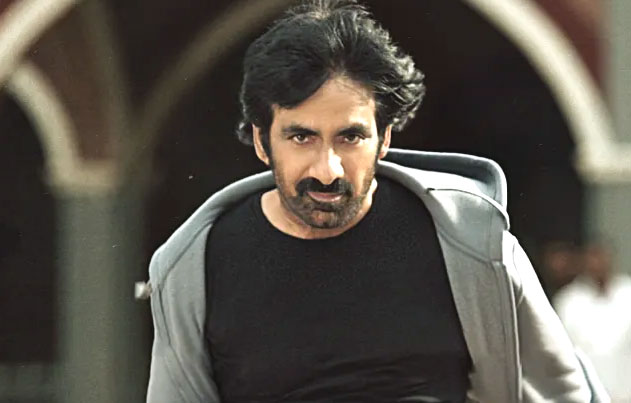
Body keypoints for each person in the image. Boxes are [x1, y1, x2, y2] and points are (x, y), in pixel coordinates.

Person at [142, 1, 608, 401]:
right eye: (302, 137)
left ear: (384, 138)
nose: (328, 170)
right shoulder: (195, 267)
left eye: (350, 137)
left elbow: (562, 392)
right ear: (262, 142)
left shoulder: (469, 242)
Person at [555, 241, 631, 402]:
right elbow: (564, 352)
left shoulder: (627, 292)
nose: (598, 264)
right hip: (587, 395)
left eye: (601, 257)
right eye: (593, 258)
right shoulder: (569, 301)